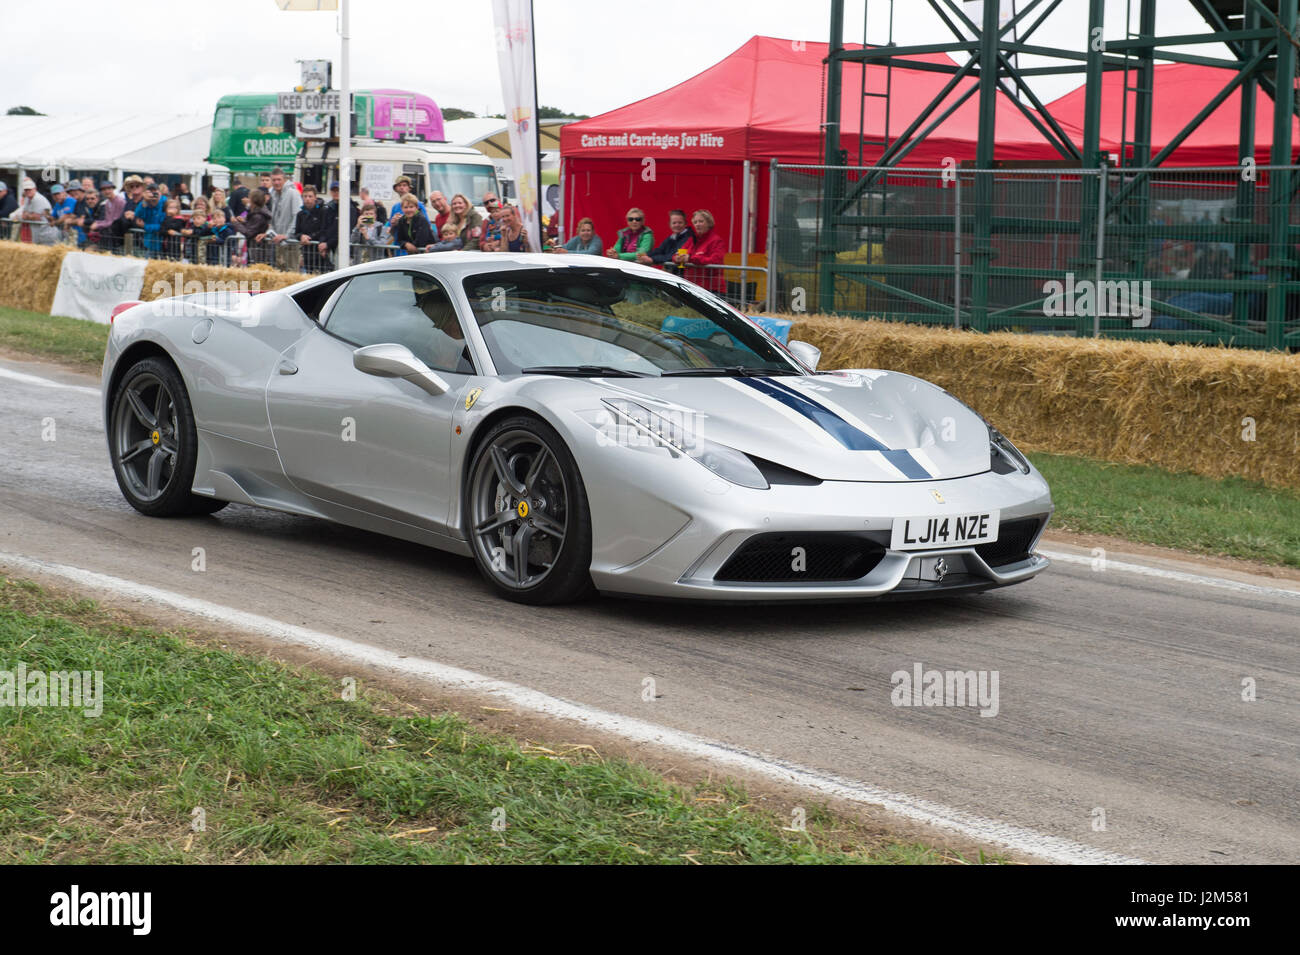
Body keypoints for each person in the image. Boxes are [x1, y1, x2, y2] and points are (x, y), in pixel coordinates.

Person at [673, 209, 726, 294]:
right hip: (691, 287)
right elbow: (677, 254)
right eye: (695, 222)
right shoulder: (691, 240)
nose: (697, 224)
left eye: (701, 221)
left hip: (711, 289)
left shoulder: (716, 241)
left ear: (709, 223)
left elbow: (715, 261)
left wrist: (691, 258)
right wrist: (677, 258)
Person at [8, 178, 59, 244]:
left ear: (35, 189)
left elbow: (36, 217)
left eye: (30, 189)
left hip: (47, 233)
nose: (28, 191)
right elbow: (24, 214)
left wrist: (28, 215)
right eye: (26, 190)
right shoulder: (27, 199)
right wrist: (29, 215)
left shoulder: (38, 199)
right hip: (37, 233)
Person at [231, 187, 273, 264]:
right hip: (255, 249)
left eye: (249, 198)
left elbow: (249, 233)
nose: (248, 200)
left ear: (253, 201)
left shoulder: (258, 216)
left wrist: (235, 223)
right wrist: (244, 222)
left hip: (258, 251)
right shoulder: (257, 213)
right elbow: (253, 227)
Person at [266, 166, 301, 253]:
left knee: (291, 267)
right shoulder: (273, 195)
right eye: (274, 180)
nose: (276, 182)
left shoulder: (293, 193)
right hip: (278, 242)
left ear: (284, 180)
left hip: (291, 243)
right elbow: (273, 218)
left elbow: (297, 216)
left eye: (279, 179)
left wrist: (287, 235)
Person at [294, 185, 327, 272]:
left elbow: (324, 229)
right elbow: (297, 232)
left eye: (310, 196)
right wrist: (301, 236)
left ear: (315, 197)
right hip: (307, 252)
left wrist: (310, 237)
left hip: (320, 251)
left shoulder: (323, 211)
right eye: (305, 196)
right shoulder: (300, 214)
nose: (307, 199)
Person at [89, 181, 124, 247]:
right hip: (110, 234)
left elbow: (114, 221)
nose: (107, 191)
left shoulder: (120, 201)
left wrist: (98, 225)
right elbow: (107, 220)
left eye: (109, 189)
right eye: (104, 189)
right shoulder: (107, 203)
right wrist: (96, 223)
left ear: (113, 189)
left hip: (118, 235)